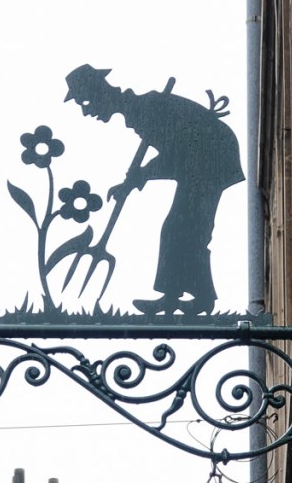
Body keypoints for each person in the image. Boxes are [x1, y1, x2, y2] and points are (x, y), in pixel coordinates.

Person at [64, 64, 244, 314]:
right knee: (183, 227)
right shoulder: (138, 111)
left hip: (211, 157)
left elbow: (173, 157)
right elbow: (174, 156)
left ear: (99, 92)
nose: (86, 111)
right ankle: (194, 297)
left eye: (85, 103)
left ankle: (180, 298)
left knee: (183, 227)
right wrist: (134, 180)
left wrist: (138, 177)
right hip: (200, 159)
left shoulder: (145, 109)